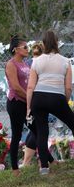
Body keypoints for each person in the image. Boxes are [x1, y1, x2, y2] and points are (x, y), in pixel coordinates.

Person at [27, 30, 74, 175]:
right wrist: (64, 102)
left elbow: (30, 86)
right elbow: (68, 87)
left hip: (38, 97)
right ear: (57, 42)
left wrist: (29, 107)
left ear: (44, 44)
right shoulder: (65, 61)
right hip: (57, 97)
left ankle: (44, 168)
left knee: (42, 131)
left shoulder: (36, 61)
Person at [5, 35, 32, 176]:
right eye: (25, 47)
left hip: (26, 102)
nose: (28, 49)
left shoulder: (25, 63)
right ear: (16, 49)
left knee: (37, 130)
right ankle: (15, 168)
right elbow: (15, 86)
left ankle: (49, 161)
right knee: (16, 134)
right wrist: (29, 99)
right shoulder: (11, 64)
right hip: (16, 103)